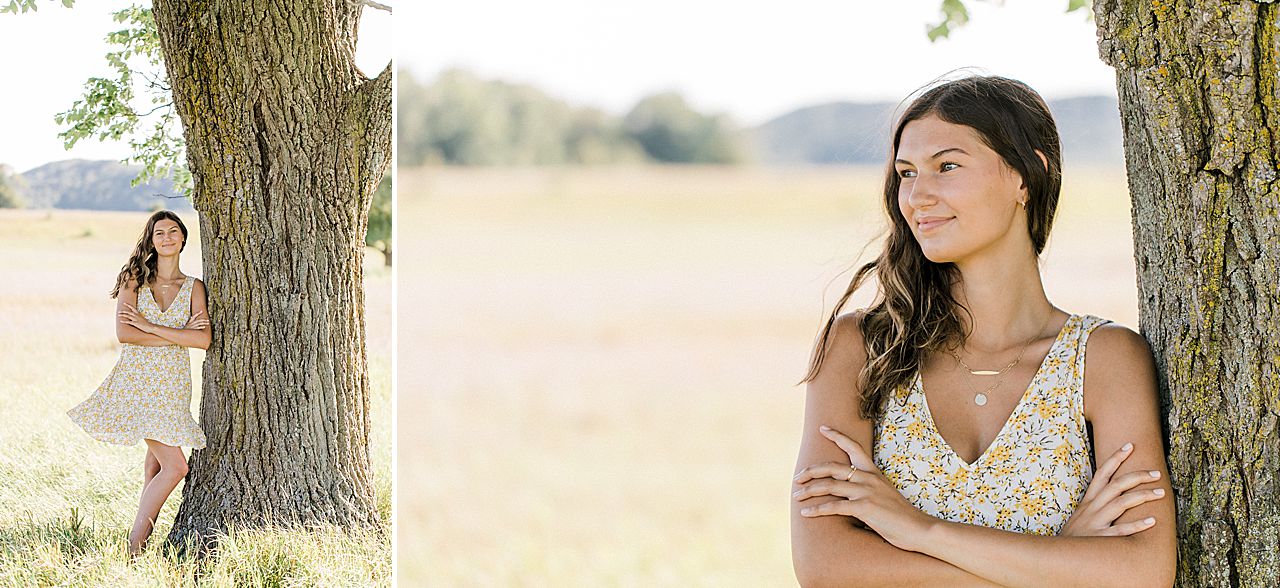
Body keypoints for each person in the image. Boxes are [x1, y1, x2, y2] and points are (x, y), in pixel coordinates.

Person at [790, 75, 1177, 586]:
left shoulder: (1104, 359)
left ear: (1025, 175)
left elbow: (1143, 572)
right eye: (906, 173)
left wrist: (921, 531)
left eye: (946, 166)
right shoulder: (862, 348)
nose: (917, 196)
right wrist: (1059, 561)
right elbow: (826, 566)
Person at [67, 210, 210, 557]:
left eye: (173, 231)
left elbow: (203, 340)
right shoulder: (134, 279)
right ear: (151, 239)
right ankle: (135, 547)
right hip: (137, 384)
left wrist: (152, 327)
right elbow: (124, 333)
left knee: (156, 465)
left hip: (173, 386)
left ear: (183, 238)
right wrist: (178, 336)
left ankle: (139, 547)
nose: (166, 238)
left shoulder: (194, 287)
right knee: (176, 466)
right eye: (159, 233)